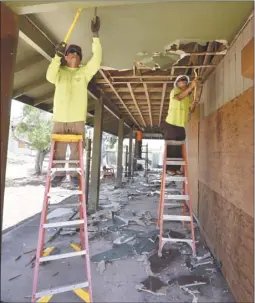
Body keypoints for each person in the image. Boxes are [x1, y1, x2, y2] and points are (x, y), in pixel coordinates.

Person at [46, 16, 102, 187]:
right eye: (72, 52)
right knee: (59, 148)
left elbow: (97, 59)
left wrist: (95, 36)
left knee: (77, 148)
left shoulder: (84, 72)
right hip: (60, 116)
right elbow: (49, 76)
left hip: (77, 117)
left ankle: (75, 174)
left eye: (78, 53)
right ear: (66, 55)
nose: (75, 55)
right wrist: (56, 57)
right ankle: (59, 174)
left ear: (80, 57)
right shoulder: (59, 72)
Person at [161, 75, 197, 175]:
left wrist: (193, 105)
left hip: (181, 125)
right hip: (171, 123)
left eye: (185, 80)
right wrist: (191, 88)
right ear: (177, 83)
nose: (183, 81)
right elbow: (178, 98)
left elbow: (191, 110)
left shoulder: (187, 97)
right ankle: (169, 169)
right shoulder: (175, 91)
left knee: (179, 147)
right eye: (181, 80)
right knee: (172, 146)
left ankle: (176, 168)